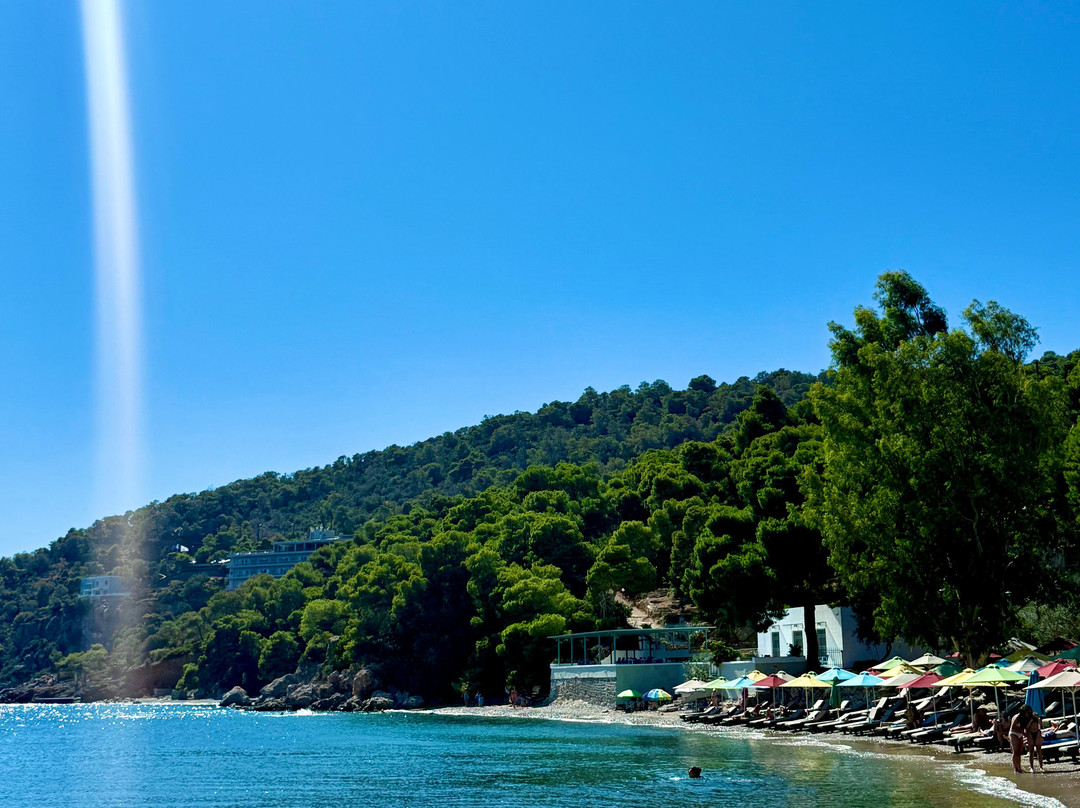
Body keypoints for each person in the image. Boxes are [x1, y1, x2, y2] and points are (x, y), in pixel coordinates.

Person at [1009, 706, 1033, 773]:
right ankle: (1015, 768)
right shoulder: (1017, 717)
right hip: (1014, 733)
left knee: (1019, 752)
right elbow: (1013, 727)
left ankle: (1019, 767)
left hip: (1020, 733)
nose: (1029, 712)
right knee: (1015, 751)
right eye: (1028, 711)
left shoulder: (1028, 718)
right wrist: (1022, 731)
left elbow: (1026, 728)